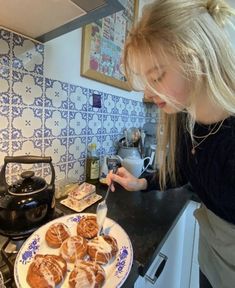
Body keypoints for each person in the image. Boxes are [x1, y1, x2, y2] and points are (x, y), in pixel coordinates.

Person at [107, 1, 235, 287]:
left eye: (157, 77)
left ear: (197, 58)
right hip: (211, 254)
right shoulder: (183, 116)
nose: (150, 93)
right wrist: (142, 183)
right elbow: (185, 170)